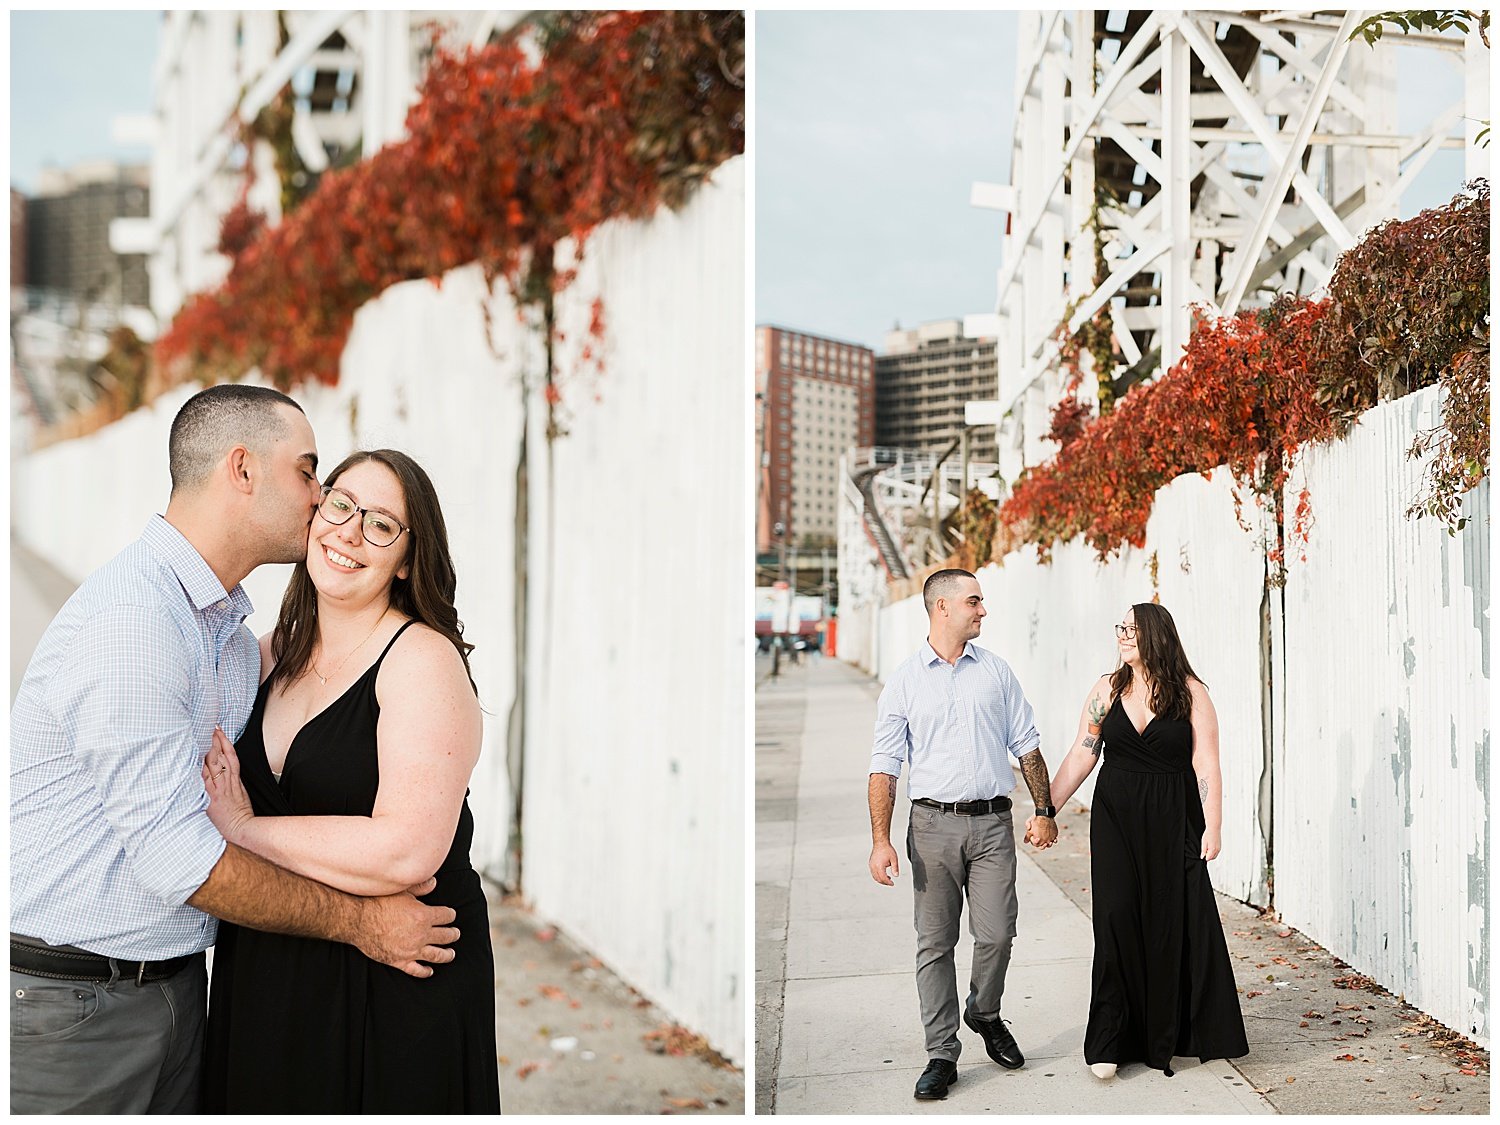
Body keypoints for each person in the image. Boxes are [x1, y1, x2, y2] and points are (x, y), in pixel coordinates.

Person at [10, 386, 460, 1115]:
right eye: (310, 473)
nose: (320, 502)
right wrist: (362, 922)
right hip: (76, 1006)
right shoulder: (137, 623)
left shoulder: (222, 630)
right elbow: (179, 857)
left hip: (178, 988)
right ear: (243, 469)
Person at [199, 448, 501, 1112]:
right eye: (342, 505)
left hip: (398, 972)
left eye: (382, 524)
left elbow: (407, 849)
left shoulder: (421, 659)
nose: (350, 532)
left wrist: (246, 829)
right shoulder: (273, 651)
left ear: (407, 557)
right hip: (274, 963)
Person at [866, 568, 1059, 1101]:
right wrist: (881, 840)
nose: (983, 610)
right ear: (942, 607)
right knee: (935, 944)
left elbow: (1027, 744)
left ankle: (984, 1012)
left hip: (993, 824)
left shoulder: (996, 672)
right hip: (930, 826)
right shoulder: (905, 681)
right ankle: (941, 1054)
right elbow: (884, 767)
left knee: (997, 933)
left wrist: (1043, 808)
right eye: (974, 601)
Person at [1046, 602, 1249, 1079]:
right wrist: (1045, 807)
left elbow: (1207, 764)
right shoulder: (1107, 689)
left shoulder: (1191, 694)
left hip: (1175, 819)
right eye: (1119, 627)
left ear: (1155, 635)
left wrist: (1213, 826)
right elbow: (1083, 752)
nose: (1121, 635)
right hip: (1116, 819)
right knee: (1115, 919)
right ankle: (1109, 1040)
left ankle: (1168, 1034)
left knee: (1171, 922)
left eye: (1130, 629)